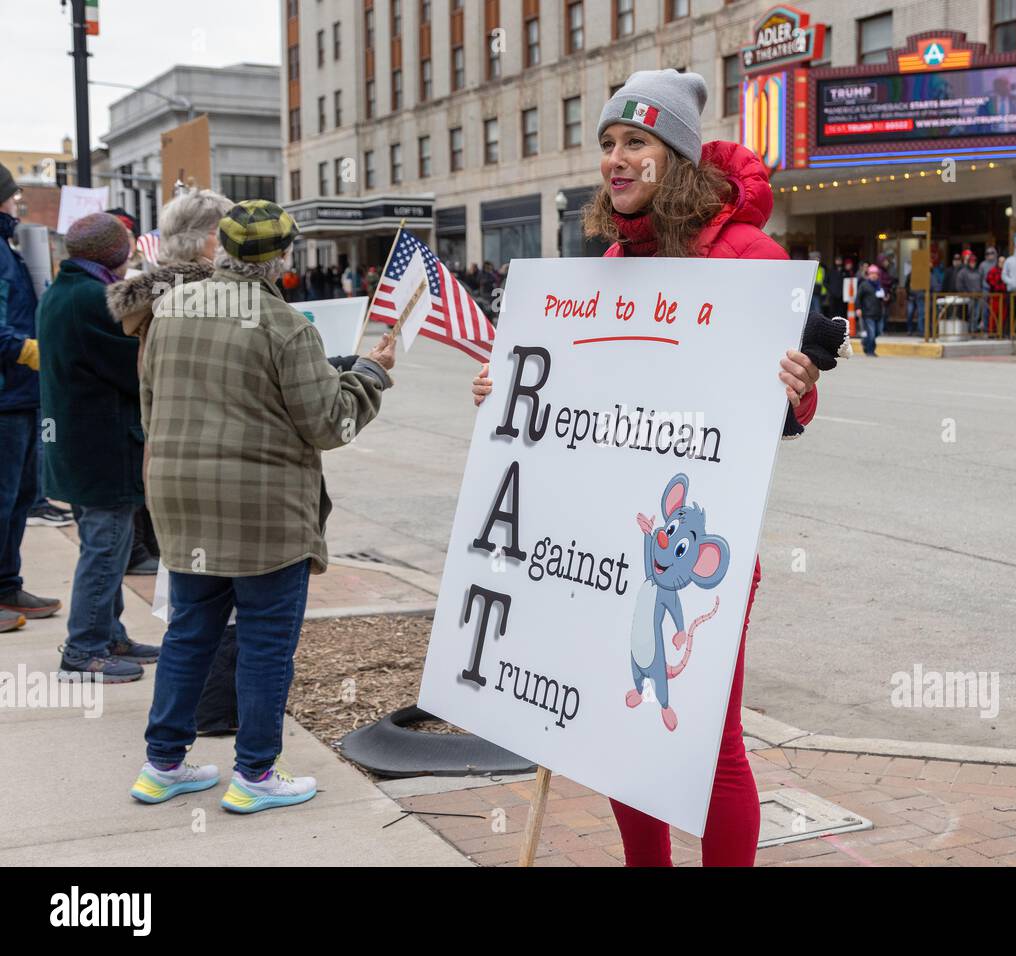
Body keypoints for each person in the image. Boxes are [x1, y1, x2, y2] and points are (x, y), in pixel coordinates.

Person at [472, 70, 822, 867]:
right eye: (607, 144)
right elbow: (571, 403)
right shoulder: (610, 262)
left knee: (713, 748)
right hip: (607, 545)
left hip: (701, 555)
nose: (616, 159)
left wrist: (798, 391)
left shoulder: (747, 254)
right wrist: (504, 394)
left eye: (635, 142)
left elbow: (793, 412)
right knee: (623, 738)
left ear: (676, 155)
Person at [130, 200, 398, 812]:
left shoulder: (169, 309)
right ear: (283, 257)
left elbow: (151, 410)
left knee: (189, 632)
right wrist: (371, 376)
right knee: (266, 640)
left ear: (220, 246)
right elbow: (330, 423)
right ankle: (253, 775)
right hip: (263, 511)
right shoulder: (285, 325)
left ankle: (162, 764)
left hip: (180, 499)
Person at [35, 213, 158, 680]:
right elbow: (136, 368)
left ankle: (110, 635)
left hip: (82, 447)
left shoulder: (66, 291)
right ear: (113, 252)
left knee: (105, 543)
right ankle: (84, 650)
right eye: (126, 245)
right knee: (106, 549)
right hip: (100, 448)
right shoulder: (90, 298)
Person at [0, 162, 62, 632]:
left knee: (20, 496)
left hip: (20, 397)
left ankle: (7, 586)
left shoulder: (9, 247)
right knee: (4, 499)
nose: (17, 202)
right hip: (7, 397)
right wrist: (29, 350)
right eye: (12, 195)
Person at [856, 263, 888, 354]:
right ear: (868, 275)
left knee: (878, 332)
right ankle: (870, 351)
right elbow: (858, 298)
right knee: (872, 333)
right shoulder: (864, 285)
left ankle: (865, 342)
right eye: (872, 273)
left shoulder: (879, 285)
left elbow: (882, 297)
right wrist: (858, 308)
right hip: (868, 312)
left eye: (876, 274)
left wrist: (885, 298)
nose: (874, 275)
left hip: (878, 312)